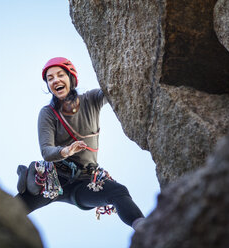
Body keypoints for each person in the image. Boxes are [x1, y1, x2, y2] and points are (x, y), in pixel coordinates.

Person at [16, 57, 144, 229]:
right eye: (50, 78)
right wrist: (66, 151)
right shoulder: (48, 113)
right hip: (54, 178)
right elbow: (46, 151)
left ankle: (145, 229)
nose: (55, 80)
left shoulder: (91, 99)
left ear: (71, 78)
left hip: (86, 180)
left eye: (60, 75)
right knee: (15, 209)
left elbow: (113, 89)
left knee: (118, 192)